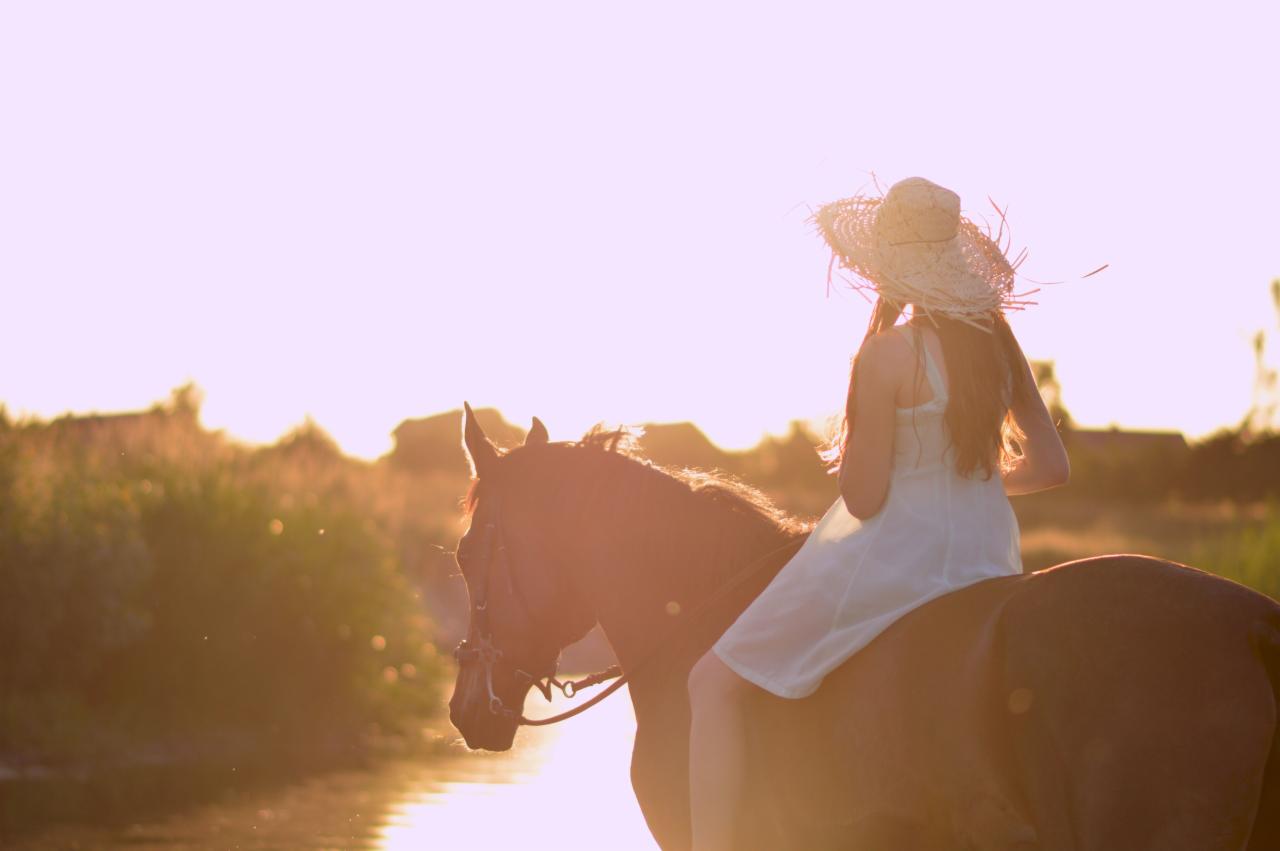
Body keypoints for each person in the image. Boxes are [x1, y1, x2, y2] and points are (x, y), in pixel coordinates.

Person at [685, 176, 1071, 850]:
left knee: (710, 682)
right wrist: (970, 483)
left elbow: (864, 500)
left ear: (887, 264)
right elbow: (1052, 467)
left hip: (899, 555)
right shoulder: (999, 346)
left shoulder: (887, 353)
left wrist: (919, 482)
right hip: (986, 554)